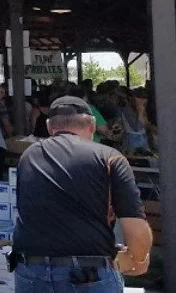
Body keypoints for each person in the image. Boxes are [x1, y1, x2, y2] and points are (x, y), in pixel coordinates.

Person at [12, 96, 152, 290]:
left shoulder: (28, 156)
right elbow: (135, 226)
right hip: (88, 274)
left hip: (31, 270)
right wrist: (138, 260)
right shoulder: (110, 158)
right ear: (92, 126)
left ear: (49, 127)